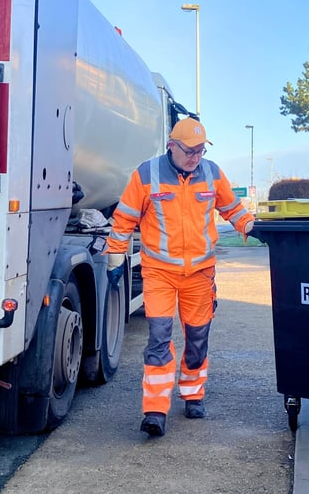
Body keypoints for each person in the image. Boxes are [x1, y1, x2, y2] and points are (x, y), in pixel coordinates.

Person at [104, 117, 255, 438]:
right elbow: (125, 216)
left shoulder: (212, 173)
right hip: (159, 273)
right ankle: (155, 410)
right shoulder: (147, 174)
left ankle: (192, 394)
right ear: (171, 146)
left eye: (201, 150)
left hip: (199, 275)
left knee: (197, 340)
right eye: (190, 151)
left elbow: (232, 208)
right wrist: (115, 252)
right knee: (159, 338)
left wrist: (250, 225)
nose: (196, 157)